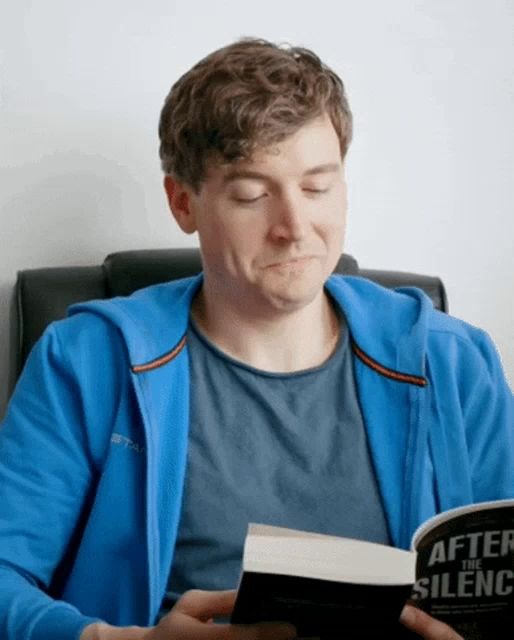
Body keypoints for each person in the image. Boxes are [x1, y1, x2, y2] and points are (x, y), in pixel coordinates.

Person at [0, 38, 512, 640]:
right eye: (251, 194)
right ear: (183, 201)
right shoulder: (86, 361)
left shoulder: (452, 361)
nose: (294, 229)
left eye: (318, 187)